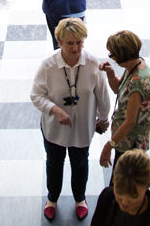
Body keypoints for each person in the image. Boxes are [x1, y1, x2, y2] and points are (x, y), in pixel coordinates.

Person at [31, 17, 112, 221]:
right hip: (54, 129)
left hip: (82, 127)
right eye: (70, 43)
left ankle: (80, 199)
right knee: (54, 164)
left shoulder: (93, 64)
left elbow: (103, 95)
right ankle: (52, 198)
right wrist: (55, 110)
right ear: (59, 41)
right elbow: (36, 95)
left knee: (80, 164)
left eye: (79, 43)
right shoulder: (48, 66)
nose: (76, 48)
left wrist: (103, 119)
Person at [100, 31, 150, 168]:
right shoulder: (135, 65)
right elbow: (118, 89)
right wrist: (110, 74)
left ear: (122, 55)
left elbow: (130, 122)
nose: (112, 58)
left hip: (130, 143)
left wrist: (109, 146)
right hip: (124, 139)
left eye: (112, 54)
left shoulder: (137, 82)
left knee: (122, 185)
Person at [91, 149, 150, 226]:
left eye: (133, 196)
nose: (124, 202)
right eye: (119, 192)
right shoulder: (107, 197)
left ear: (147, 186)